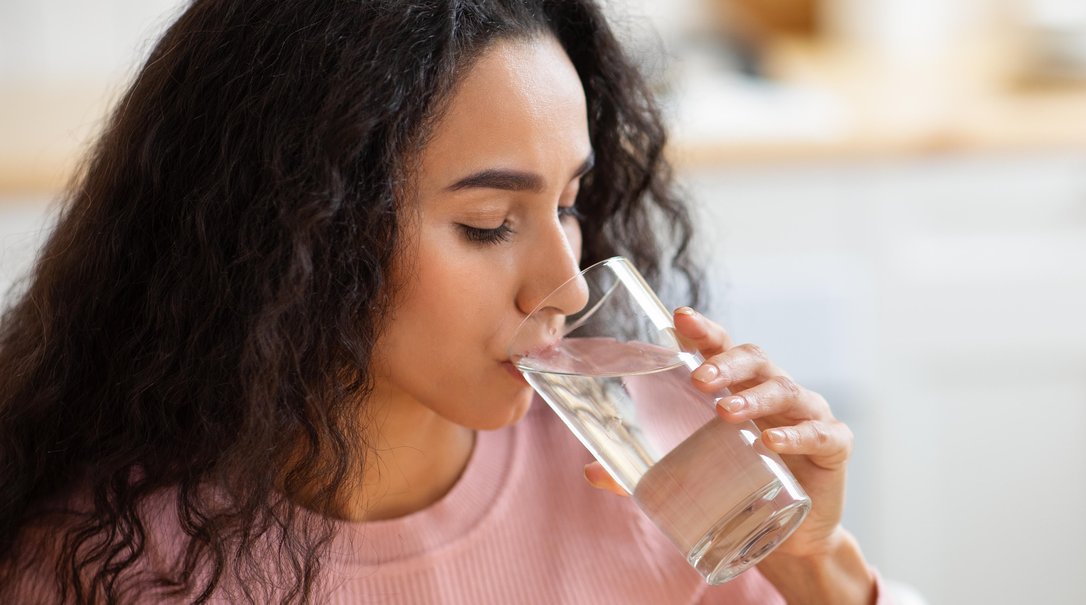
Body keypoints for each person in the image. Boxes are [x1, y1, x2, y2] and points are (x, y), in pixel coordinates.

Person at [0, 0, 888, 602]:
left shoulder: (667, 474)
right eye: (490, 222)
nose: (569, 285)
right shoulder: (109, 560)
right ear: (298, 229)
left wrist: (814, 569)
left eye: (569, 204)